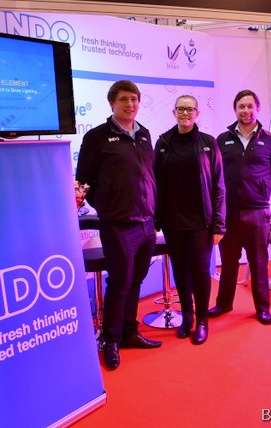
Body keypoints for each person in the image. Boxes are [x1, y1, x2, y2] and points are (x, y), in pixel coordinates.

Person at [76, 80, 161, 370]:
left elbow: (149, 176)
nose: (130, 104)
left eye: (134, 99)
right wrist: (108, 206)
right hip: (118, 225)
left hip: (146, 223)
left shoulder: (144, 134)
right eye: (124, 99)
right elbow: (84, 181)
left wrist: (153, 213)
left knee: (136, 281)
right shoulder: (97, 137)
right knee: (120, 283)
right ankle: (111, 339)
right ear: (112, 103)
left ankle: (129, 332)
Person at [208, 90, 271, 325]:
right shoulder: (222, 140)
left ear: (257, 108)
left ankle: (263, 308)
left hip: (257, 213)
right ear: (235, 110)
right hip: (229, 212)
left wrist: (262, 188)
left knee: (259, 262)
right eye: (241, 106)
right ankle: (224, 304)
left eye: (250, 106)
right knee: (228, 262)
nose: (246, 110)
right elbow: (214, 172)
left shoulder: (269, 140)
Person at [154, 95, 226, 345]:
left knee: (200, 271)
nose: (185, 113)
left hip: (201, 221)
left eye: (190, 109)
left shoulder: (208, 143)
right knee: (180, 269)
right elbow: (155, 182)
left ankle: (202, 320)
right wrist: (155, 219)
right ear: (174, 112)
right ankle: (187, 317)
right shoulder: (163, 142)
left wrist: (219, 224)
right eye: (181, 109)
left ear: (197, 113)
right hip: (172, 220)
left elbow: (219, 185)